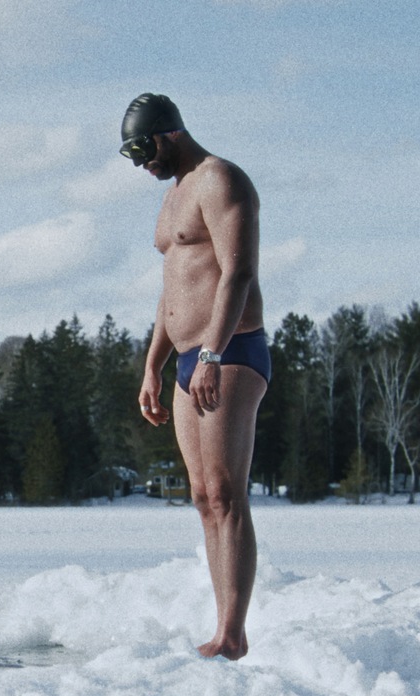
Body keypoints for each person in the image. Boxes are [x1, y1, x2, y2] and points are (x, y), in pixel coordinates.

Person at [124, 93, 269, 661]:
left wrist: (210, 352)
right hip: (188, 358)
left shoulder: (221, 180)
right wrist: (152, 366)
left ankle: (232, 633)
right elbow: (171, 291)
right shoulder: (171, 199)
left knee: (228, 493)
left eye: (143, 150)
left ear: (169, 133)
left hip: (230, 349)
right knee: (203, 495)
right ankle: (222, 624)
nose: (142, 164)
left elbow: (238, 272)